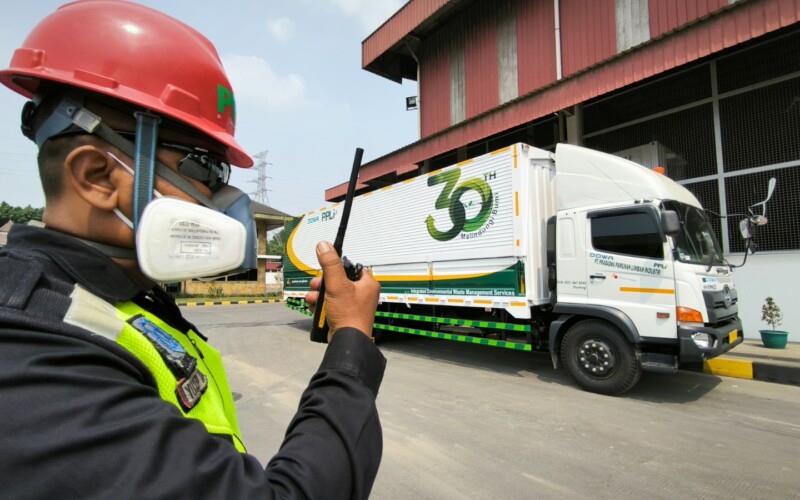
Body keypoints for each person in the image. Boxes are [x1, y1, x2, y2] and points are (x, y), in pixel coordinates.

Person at [0, 1, 384, 499]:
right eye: (204, 169)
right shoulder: (34, 364)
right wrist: (353, 336)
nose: (223, 200)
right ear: (96, 176)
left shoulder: (119, 298)